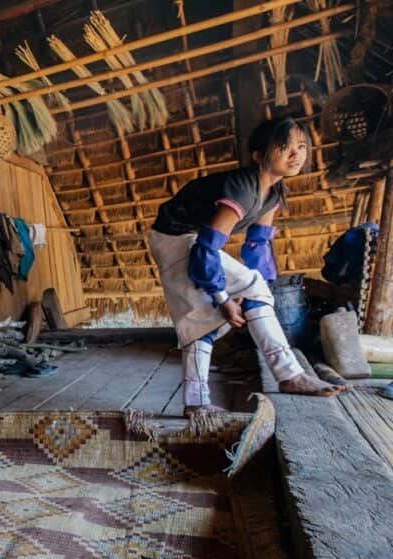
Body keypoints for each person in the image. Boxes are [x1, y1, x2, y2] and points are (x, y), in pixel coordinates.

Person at [148, 117, 347, 417]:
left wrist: (262, 294)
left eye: (301, 147)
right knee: (202, 317)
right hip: (174, 236)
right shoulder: (242, 188)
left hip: (192, 240)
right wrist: (223, 298)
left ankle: (207, 399)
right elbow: (206, 248)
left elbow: (257, 246)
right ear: (258, 155)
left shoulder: (274, 194)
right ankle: (286, 376)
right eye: (284, 147)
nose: (295, 154)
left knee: (231, 302)